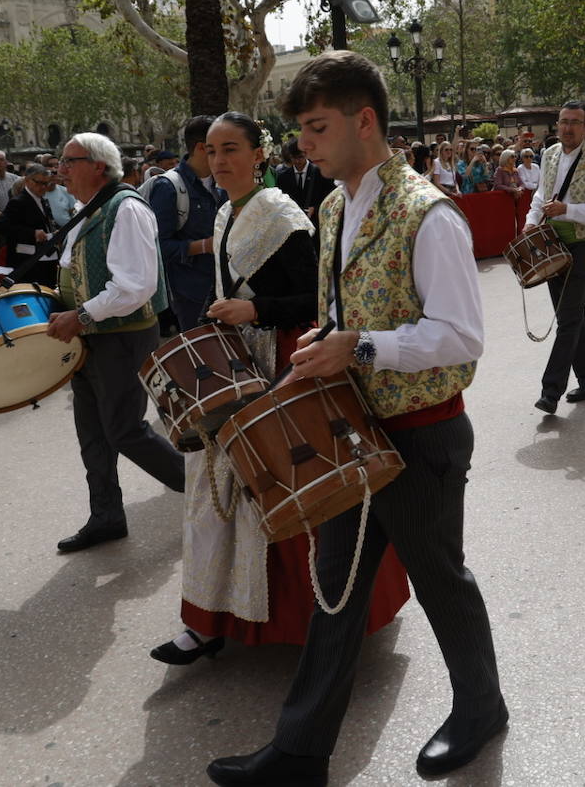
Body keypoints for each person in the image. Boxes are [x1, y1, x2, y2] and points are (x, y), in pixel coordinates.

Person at [207, 52, 504, 786]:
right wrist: (325, 337)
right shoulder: (335, 206)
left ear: (364, 121)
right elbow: (344, 310)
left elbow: (462, 336)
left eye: (316, 127)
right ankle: (300, 754)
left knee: (441, 579)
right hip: (351, 431)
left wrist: (359, 345)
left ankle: (481, 708)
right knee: (334, 592)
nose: (302, 144)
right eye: (301, 130)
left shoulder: (428, 212)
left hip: (424, 432)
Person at [153, 111, 410, 664]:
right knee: (214, 492)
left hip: (278, 362)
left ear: (258, 155)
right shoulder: (224, 213)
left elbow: (319, 301)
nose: (220, 160)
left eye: (232, 149)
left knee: (285, 484)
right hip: (233, 365)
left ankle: (315, 623)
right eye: (212, 150)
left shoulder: (280, 215)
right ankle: (209, 620)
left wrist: (256, 308)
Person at [43, 133, 183, 551]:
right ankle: (106, 516)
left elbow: (137, 286)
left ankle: (205, 493)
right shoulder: (87, 210)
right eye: (61, 162)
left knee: (124, 430)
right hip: (90, 338)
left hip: (120, 337)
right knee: (92, 432)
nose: (61, 169)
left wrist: (81, 314)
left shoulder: (127, 209)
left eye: (70, 161)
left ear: (98, 166)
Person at [523, 101, 585, 415]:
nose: (567, 128)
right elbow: (540, 195)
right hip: (552, 242)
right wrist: (530, 221)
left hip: (582, 243)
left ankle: (550, 391)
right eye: (563, 122)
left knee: (567, 319)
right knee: (572, 315)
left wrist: (569, 210)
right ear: (557, 124)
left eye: (575, 122)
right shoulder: (549, 154)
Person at [152, 115, 223, 332]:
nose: (227, 156)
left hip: (226, 289)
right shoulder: (168, 187)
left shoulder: (224, 183)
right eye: (223, 147)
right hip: (192, 295)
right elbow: (158, 248)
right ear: (202, 148)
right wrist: (203, 246)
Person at [0, 163, 60, 286]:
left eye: (46, 184)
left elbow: (47, 223)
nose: (42, 187)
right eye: (38, 182)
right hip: (27, 264)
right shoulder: (17, 202)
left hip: (46, 258)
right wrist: (32, 233)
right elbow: (1, 226)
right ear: (27, 180)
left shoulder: (43, 200)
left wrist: (55, 232)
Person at [274, 138, 334, 223]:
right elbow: (280, 201)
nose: (297, 161)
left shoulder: (320, 172)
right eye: (294, 158)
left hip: (316, 223)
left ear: (306, 154)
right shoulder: (283, 177)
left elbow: (330, 195)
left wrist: (316, 208)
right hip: (293, 225)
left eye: (300, 157)